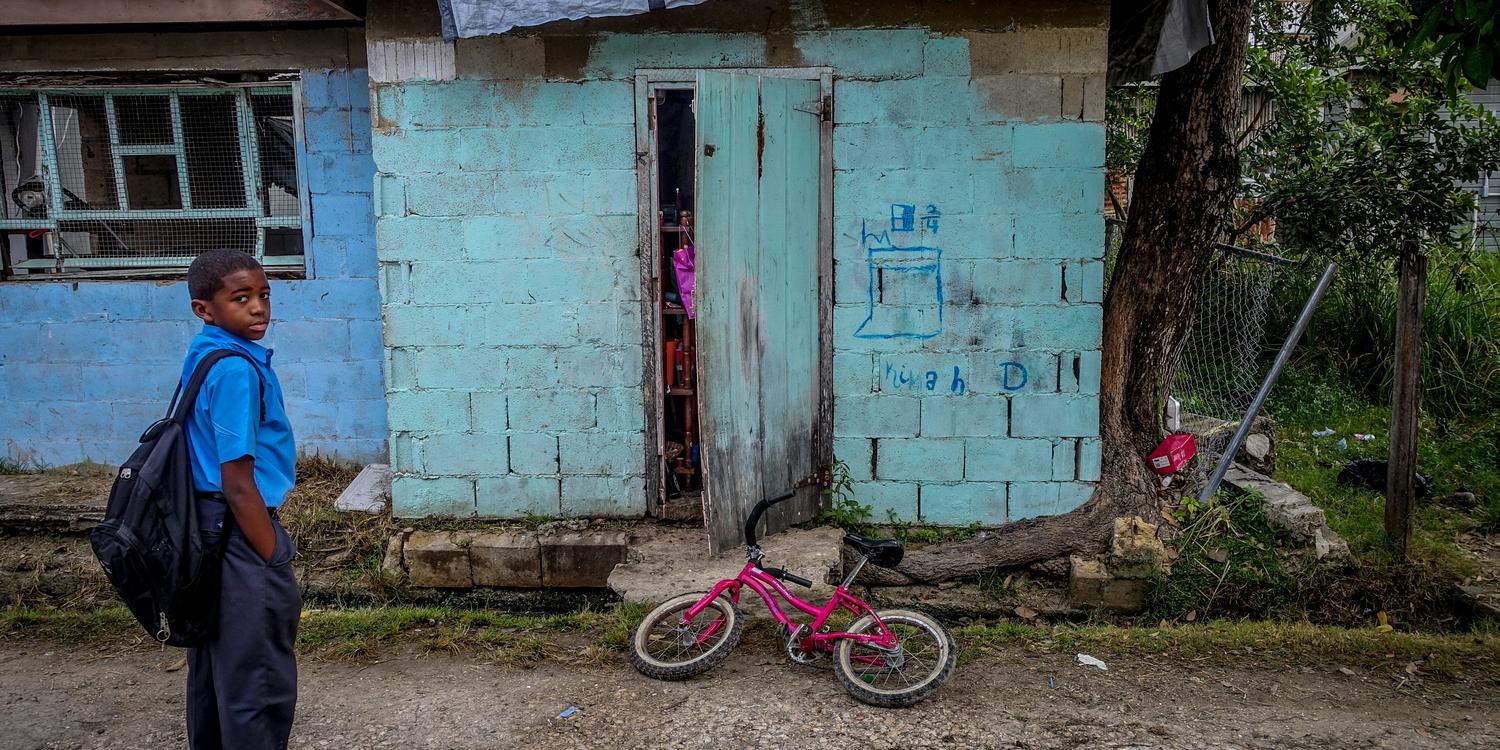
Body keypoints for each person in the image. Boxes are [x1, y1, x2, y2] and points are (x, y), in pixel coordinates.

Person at [180, 249, 299, 750]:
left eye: (264, 295)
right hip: (236, 529)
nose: (258, 309)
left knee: (216, 668)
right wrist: (271, 553)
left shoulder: (205, 352)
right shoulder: (234, 370)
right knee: (257, 677)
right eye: (241, 298)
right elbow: (237, 481)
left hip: (204, 528)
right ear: (204, 309)